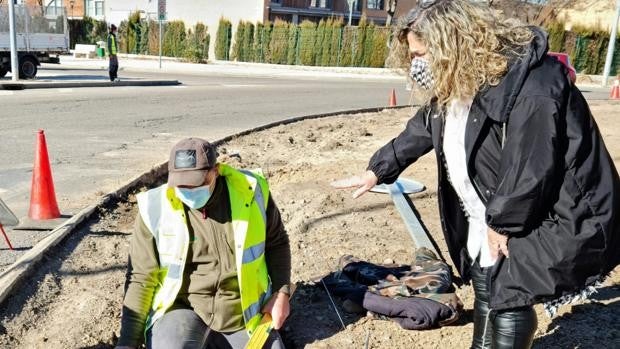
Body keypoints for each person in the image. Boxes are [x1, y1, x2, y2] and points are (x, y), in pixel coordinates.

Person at [332, 1, 620, 348]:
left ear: (451, 46)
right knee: (486, 279)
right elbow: (425, 127)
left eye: (421, 54)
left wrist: (503, 221)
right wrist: (377, 171)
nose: (416, 64)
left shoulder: (531, 84)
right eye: (412, 55)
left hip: (555, 210)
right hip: (499, 206)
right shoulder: (461, 80)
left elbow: (530, 163)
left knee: (511, 291)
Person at [115, 137, 291, 349]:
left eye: (196, 183)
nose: (188, 190)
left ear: (215, 171)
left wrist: (281, 293)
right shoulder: (154, 208)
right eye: (181, 185)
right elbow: (141, 278)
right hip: (184, 311)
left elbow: (277, 243)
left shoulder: (251, 192)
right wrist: (127, 343)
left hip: (242, 313)